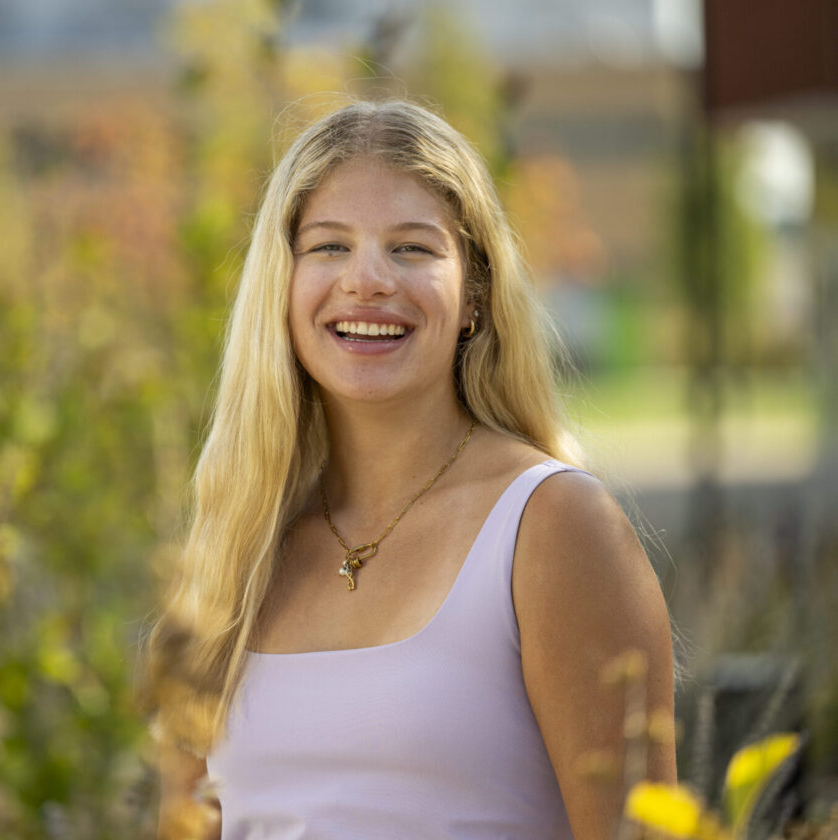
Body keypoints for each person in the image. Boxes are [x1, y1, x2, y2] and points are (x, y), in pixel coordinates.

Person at [145, 99, 676, 840]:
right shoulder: (239, 546)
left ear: (475, 298)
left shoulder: (551, 525)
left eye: (412, 249)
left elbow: (640, 832)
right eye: (329, 247)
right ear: (281, 284)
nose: (366, 280)